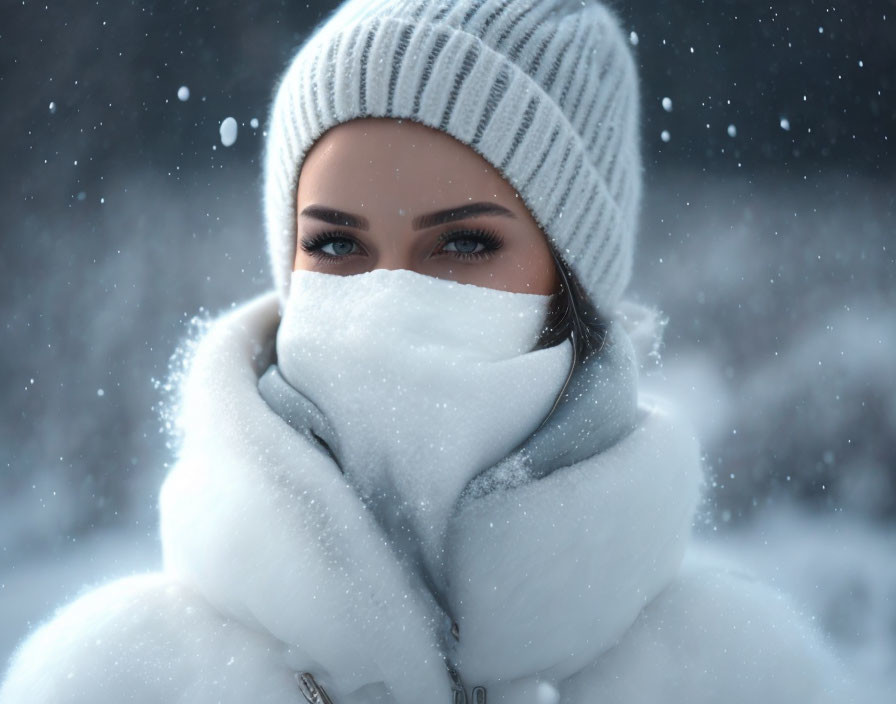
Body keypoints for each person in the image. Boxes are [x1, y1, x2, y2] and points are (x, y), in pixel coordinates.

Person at [1, 1, 851, 702]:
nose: (387, 296)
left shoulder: (741, 678)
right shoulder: (112, 680)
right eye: (336, 246)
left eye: (466, 245)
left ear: (570, 291)